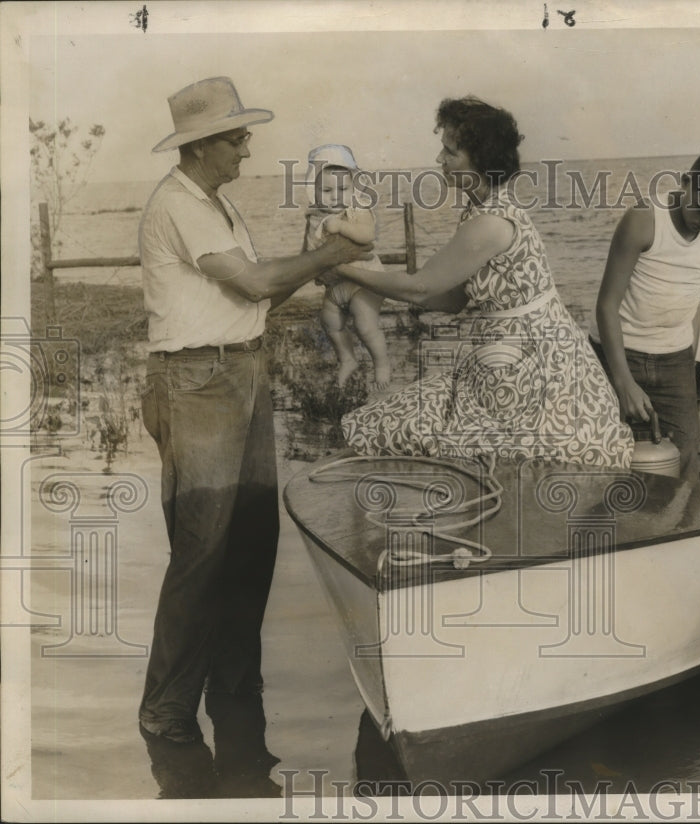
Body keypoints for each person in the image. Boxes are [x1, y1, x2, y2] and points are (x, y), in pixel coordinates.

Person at [137, 76, 372, 746]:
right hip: (196, 383)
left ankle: (234, 684)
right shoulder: (177, 205)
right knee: (202, 549)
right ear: (202, 144)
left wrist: (324, 268)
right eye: (237, 136)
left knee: (250, 541)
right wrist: (335, 251)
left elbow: (262, 294)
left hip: (241, 370)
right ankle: (166, 711)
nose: (247, 145)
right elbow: (256, 282)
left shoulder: (216, 203)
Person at [337, 96, 633, 468]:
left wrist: (343, 271)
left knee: (396, 429)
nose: (439, 160)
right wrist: (370, 275)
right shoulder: (485, 210)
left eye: (450, 152)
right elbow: (449, 300)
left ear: (481, 162)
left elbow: (420, 287)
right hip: (512, 368)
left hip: (534, 378)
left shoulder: (490, 222)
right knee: (387, 422)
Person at [590, 144, 700, 483]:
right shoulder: (644, 220)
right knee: (609, 460)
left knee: (684, 460)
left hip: (675, 362)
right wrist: (623, 383)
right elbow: (607, 304)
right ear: (685, 182)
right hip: (615, 356)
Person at [302, 144, 391, 390]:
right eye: (327, 190)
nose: (336, 195)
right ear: (314, 191)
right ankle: (347, 358)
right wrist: (311, 269)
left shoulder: (357, 209)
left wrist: (341, 227)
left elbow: (367, 235)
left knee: (365, 324)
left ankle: (381, 362)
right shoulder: (314, 216)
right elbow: (306, 248)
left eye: (343, 188)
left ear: (354, 188)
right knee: (329, 320)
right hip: (336, 285)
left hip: (365, 282)